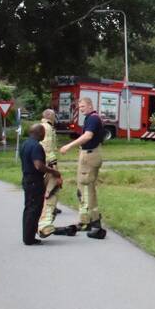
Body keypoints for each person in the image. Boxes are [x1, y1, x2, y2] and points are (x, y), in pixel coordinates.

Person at [60, 97, 107, 239]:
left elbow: (88, 136)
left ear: (90, 105)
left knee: (87, 190)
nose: (81, 109)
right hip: (89, 154)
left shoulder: (92, 119)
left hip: (90, 155)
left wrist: (69, 146)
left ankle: (94, 222)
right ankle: (85, 220)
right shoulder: (91, 118)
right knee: (83, 189)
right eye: (79, 107)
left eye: (83, 106)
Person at [20, 124, 61, 246]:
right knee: (34, 209)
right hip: (34, 180)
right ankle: (29, 239)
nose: (44, 135)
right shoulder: (36, 146)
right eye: (43, 133)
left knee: (28, 208)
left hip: (27, 178)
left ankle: (28, 236)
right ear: (38, 133)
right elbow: (38, 165)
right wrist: (54, 171)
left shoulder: (25, 144)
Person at [37, 109, 62, 237]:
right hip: (49, 165)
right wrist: (55, 168)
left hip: (41, 165)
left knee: (43, 194)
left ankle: (41, 222)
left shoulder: (41, 126)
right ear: (51, 116)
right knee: (51, 192)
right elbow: (48, 148)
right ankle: (45, 225)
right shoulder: (48, 128)